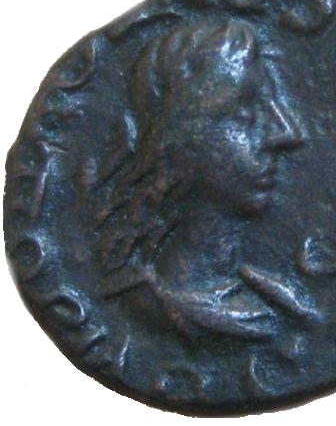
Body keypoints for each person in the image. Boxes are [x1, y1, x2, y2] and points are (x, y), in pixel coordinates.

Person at [95, 20, 320, 340]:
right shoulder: (147, 308)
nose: (286, 133)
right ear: (181, 138)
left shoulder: (274, 299)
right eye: (246, 111)